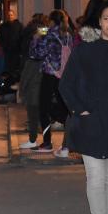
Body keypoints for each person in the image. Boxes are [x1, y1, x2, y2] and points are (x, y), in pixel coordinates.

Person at [59, 0, 108, 214]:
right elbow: (66, 84)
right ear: (99, 22)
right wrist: (80, 111)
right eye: (107, 19)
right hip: (91, 123)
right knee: (95, 177)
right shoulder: (85, 50)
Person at [28, 10, 72, 153]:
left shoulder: (48, 35)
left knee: (44, 108)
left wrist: (36, 38)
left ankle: (47, 143)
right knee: (65, 109)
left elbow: (36, 54)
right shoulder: (68, 35)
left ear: (52, 21)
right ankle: (68, 143)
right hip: (64, 75)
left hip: (50, 75)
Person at [19, 14, 49, 149]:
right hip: (40, 81)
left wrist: (22, 90)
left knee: (33, 113)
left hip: (35, 83)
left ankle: (33, 140)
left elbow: (26, 78)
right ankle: (39, 140)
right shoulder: (46, 36)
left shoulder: (34, 56)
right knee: (38, 114)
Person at [0, 10, 23, 79]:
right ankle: (8, 81)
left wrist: (20, 48)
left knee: (14, 66)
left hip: (16, 50)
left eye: (11, 15)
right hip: (7, 49)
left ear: (14, 16)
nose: (10, 17)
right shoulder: (3, 26)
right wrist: (3, 45)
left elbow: (21, 37)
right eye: (9, 15)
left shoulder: (19, 25)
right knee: (7, 66)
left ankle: (13, 80)